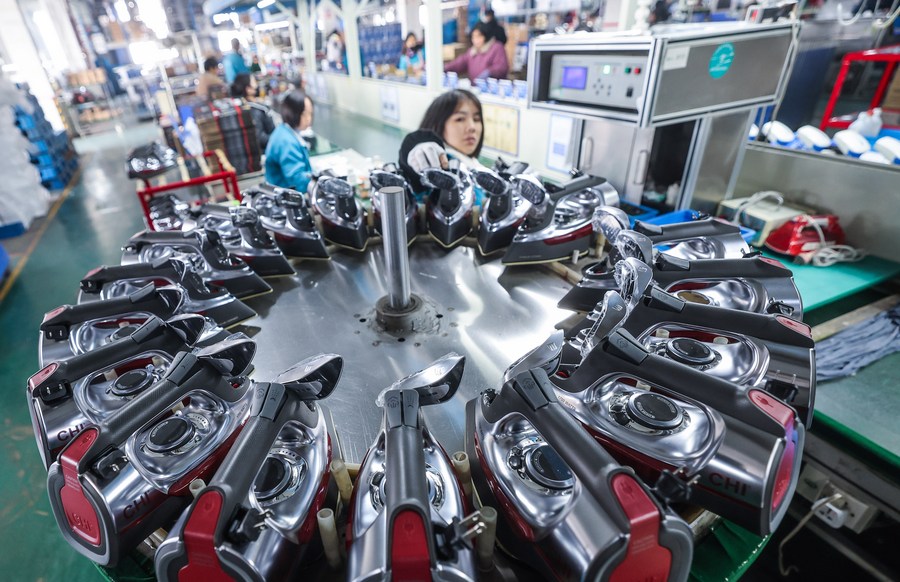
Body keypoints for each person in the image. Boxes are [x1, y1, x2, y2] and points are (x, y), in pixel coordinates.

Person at [398, 89, 487, 196]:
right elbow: (413, 173)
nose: (472, 127)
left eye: (476, 119)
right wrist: (418, 148)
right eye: (460, 119)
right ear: (437, 124)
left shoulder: (472, 163)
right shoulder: (443, 165)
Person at [265, 90, 315, 192]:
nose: (308, 119)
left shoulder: (284, 130)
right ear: (292, 113)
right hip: (285, 196)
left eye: (310, 114)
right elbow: (298, 181)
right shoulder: (286, 142)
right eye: (305, 114)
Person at [444, 23, 508, 81]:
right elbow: (459, 63)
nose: (476, 40)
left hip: (492, 88)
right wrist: (445, 68)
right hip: (475, 87)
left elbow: (501, 67)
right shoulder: (472, 51)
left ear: (486, 36)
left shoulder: (496, 47)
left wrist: (489, 72)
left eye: (478, 36)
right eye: (473, 37)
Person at [231, 73, 276, 150]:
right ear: (248, 89)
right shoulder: (254, 110)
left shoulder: (249, 105)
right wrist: (277, 140)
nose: (256, 84)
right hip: (268, 149)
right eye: (254, 81)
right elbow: (260, 137)